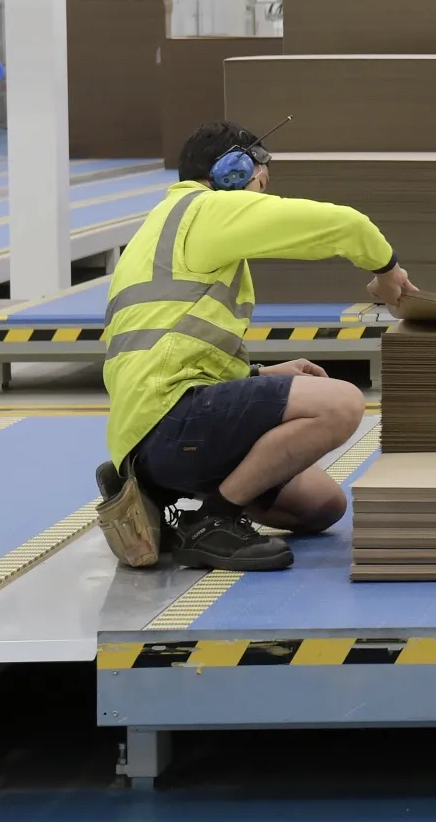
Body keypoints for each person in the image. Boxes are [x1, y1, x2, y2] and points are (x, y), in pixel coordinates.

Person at [95, 121, 416, 573]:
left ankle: (158, 493)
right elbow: (345, 225)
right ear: (234, 171)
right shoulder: (204, 210)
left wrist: (256, 377)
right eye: (261, 180)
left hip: (150, 428)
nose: (262, 195)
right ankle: (214, 521)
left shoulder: (163, 229)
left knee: (322, 506)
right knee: (341, 404)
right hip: (169, 420)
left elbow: (171, 347)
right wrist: (387, 272)